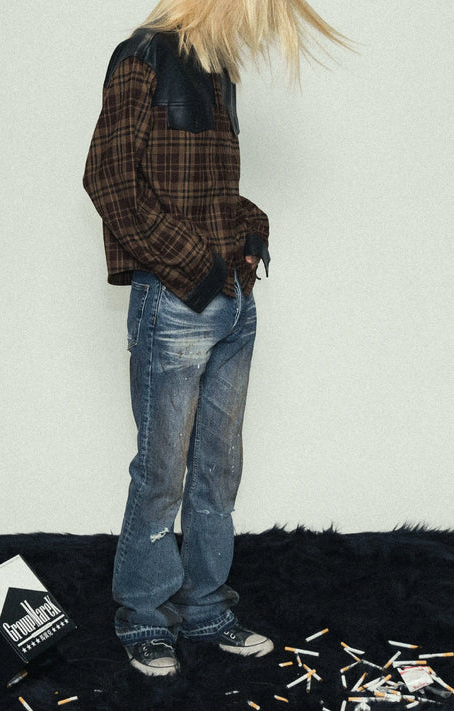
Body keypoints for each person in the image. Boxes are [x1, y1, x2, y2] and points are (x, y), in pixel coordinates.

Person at [83, 0, 348, 677]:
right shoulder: (142, 55)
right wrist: (197, 269)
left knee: (218, 468)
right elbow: (109, 180)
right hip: (175, 300)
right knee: (161, 473)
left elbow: (208, 191)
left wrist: (249, 237)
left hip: (232, 302)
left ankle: (205, 607)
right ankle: (144, 616)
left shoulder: (216, 68)